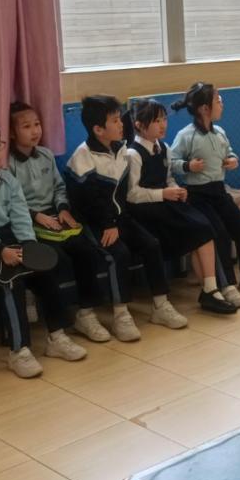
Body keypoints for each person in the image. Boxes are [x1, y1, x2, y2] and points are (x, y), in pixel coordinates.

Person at [0, 117, 88, 375]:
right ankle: (19, 351)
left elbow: (20, 215)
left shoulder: (7, 179)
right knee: (10, 282)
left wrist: (29, 245)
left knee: (46, 273)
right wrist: (1, 250)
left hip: (14, 236)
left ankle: (57, 337)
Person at [66, 95, 189, 334]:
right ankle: (121, 314)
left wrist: (117, 220)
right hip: (92, 222)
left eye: (119, 119)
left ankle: (160, 305)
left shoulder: (120, 148)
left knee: (151, 244)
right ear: (98, 129)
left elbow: (120, 193)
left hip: (117, 218)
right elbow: (89, 202)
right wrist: (108, 224)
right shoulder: (82, 157)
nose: (121, 124)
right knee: (118, 254)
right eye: (114, 121)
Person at [9, 102, 114, 345]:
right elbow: (12, 200)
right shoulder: (8, 164)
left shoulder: (45, 154)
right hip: (28, 221)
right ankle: (57, 328)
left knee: (86, 250)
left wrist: (63, 209)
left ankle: (86, 314)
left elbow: (58, 187)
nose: (35, 131)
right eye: (26, 126)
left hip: (56, 216)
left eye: (37, 124)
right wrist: (36, 215)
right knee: (57, 259)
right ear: (12, 133)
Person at [125, 100, 237, 315]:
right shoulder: (133, 154)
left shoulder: (164, 148)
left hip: (167, 205)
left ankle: (211, 289)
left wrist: (176, 189)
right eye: (156, 121)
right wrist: (163, 194)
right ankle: (172, 300)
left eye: (164, 119)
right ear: (139, 125)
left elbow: (168, 178)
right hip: (145, 211)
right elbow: (132, 194)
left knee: (204, 227)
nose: (163, 125)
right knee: (186, 231)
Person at [169, 83, 240, 305]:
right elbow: (172, 162)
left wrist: (233, 160)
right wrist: (187, 166)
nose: (222, 104)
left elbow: (229, 152)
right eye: (218, 101)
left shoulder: (220, 132)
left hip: (219, 191)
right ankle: (227, 285)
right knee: (220, 236)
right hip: (198, 195)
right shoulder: (186, 136)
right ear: (204, 108)